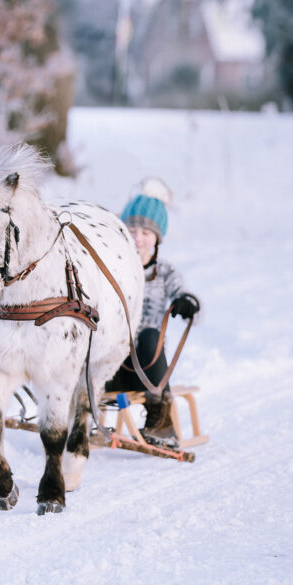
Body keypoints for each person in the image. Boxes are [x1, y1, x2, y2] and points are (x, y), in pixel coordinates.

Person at [106, 178, 201, 447]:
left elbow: (186, 294)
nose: (138, 239)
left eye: (145, 233)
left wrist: (186, 300)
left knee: (149, 335)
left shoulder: (165, 272)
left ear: (156, 239)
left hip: (147, 368)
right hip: (113, 366)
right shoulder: (113, 269)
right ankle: (79, 413)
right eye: (132, 230)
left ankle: (161, 420)